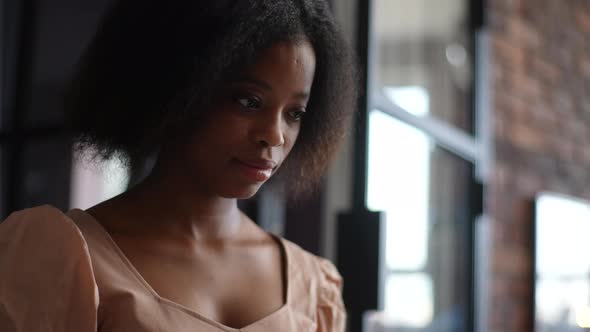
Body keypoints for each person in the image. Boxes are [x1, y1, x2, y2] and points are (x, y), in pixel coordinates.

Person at [0, 0, 357, 331]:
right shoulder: (62, 259)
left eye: (295, 113)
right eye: (248, 101)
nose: (275, 136)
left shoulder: (314, 288)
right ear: (175, 88)